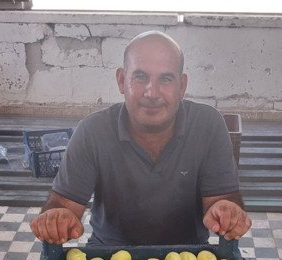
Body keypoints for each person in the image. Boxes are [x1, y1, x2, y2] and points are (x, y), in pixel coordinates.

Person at [30, 30, 251, 246]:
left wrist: (227, 211)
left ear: (181, 86)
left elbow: (222, 200)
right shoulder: (92, 131)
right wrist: (57, 217)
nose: (152, 92)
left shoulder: (208, 126)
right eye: (140, 76)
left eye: (165, 79)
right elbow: (64, 205)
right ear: (121, 80)